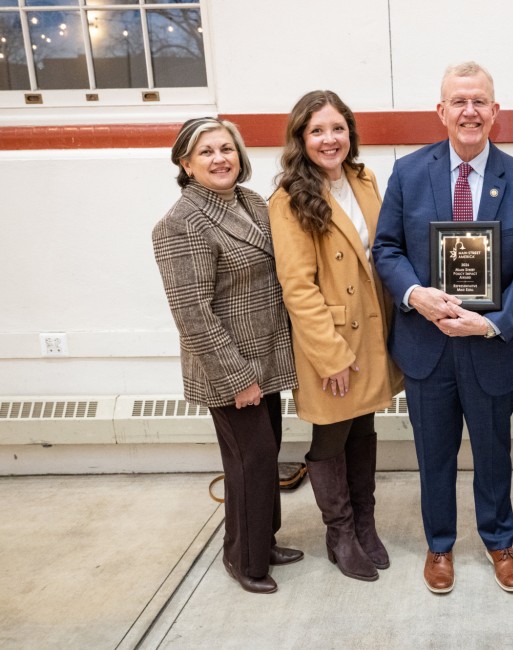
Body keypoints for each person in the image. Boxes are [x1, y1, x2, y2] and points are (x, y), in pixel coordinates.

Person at [372, 61, 513, 594]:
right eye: (459, 101)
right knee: (434, 454)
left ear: (495, 112)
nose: (469, 111)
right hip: (426, 346)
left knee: (494, 452)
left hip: (492, 347)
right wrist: (413, 294)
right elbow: (386, 248)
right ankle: (440, 545)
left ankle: (499, 541)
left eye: (480, 102)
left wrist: (493, 323)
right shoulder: (408, 173)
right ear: (442, 111)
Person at [152, 117, 301, 595]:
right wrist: (237, 378)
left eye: (227, 148)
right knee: (252, 460)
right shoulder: (181, 223)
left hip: (268, 358)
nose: (220, 158)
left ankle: (262, 541)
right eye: (206, 152)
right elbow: (191, 311)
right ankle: (244, 560)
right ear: (186, 164)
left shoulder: (253, 203)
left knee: (265, 455)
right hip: (229, 366)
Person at [269, 91, 403, 582]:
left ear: (350, 132)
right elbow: (298, 286)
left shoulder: (364, 179)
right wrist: (331, 356)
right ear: (301, 139)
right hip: (330, 340)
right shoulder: (289, 199)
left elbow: (384, 248)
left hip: (372, 327)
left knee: (363, 429)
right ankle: (339, 533)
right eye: (317, 131)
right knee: (331, 435)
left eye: (337, 128)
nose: (330, 139)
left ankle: (365, 526)